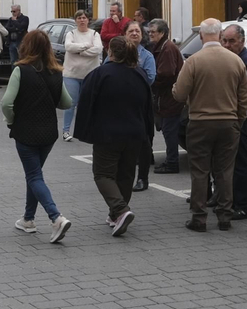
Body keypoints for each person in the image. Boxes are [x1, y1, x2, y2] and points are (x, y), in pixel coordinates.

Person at [173, 19, 247, 232]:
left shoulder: (194, 61)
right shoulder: (236, 61)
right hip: (229, 122)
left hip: (200, 123)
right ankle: (225, 216)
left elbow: (179, 94)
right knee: (225, 170)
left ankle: (199, 218)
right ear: (219, 35)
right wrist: (238, 120)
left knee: (200, 171)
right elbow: (245, 96)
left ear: (200, 37)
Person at [74, 36, 154, 238]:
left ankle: (120, 209)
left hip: (107, 134)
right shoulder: (140, 74)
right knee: (126, 175)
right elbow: (148, 106)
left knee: (103, 174)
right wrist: (147, 133)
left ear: (110, 53)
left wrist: (84, 131)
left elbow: (85, 104)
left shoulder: (100, 74)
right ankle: (116, 214)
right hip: (135, 133)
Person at [2, 30, 74, 242]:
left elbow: (6, 102)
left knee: (34, 176)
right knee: (35, 175)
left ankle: (56, 218)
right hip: (48, 132)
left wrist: (11, 119)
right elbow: (67, 103)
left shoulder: (20, 70)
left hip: (25, 132)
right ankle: (28, 219)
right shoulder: (55, 72)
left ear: (27, 46)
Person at [220, 23, 247, 218]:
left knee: (240, 161)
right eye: (224, 41)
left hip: (241, 118)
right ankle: (228, 199)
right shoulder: (231, 59)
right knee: (229, 161)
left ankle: (244, 205)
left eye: (232, 41)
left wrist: (238, 118)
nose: (227, 45)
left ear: (242, 42)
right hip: (230, 117)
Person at [122, 21, 157, 192]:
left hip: (141, 105)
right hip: (121, 105)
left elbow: (150, 78)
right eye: (131, 31)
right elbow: (107, 69)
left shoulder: (147, 56)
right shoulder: (116, 53)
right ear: (125, 34)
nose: (135, 33)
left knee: (144, 142)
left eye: (137, 31)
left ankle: (143, 178)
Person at [148, 19, 184, 174]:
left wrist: (152, 81)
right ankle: (171, 160)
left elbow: (167, 73)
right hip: (166, 97)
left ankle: (172, 163)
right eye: (149, 32)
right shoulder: (162, 46)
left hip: (169, 97)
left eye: (153, 32)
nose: (150, 34)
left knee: (170, 131)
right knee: (168, 130)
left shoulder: (167, 48)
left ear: (162, 33)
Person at [60, 10, 102, 141]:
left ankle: (87, 129)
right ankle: (66, 131)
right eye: (79, 18)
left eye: (84, 18)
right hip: (71, 74)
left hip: (90, 75)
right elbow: (69, 47)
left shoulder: (94, 34)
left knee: (88, 103)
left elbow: (98, 49)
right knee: (71, 103)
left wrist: (81, 52)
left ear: (88, 20)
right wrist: (86, 46)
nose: (82, 20)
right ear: (75, 20)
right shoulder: (71, 34)